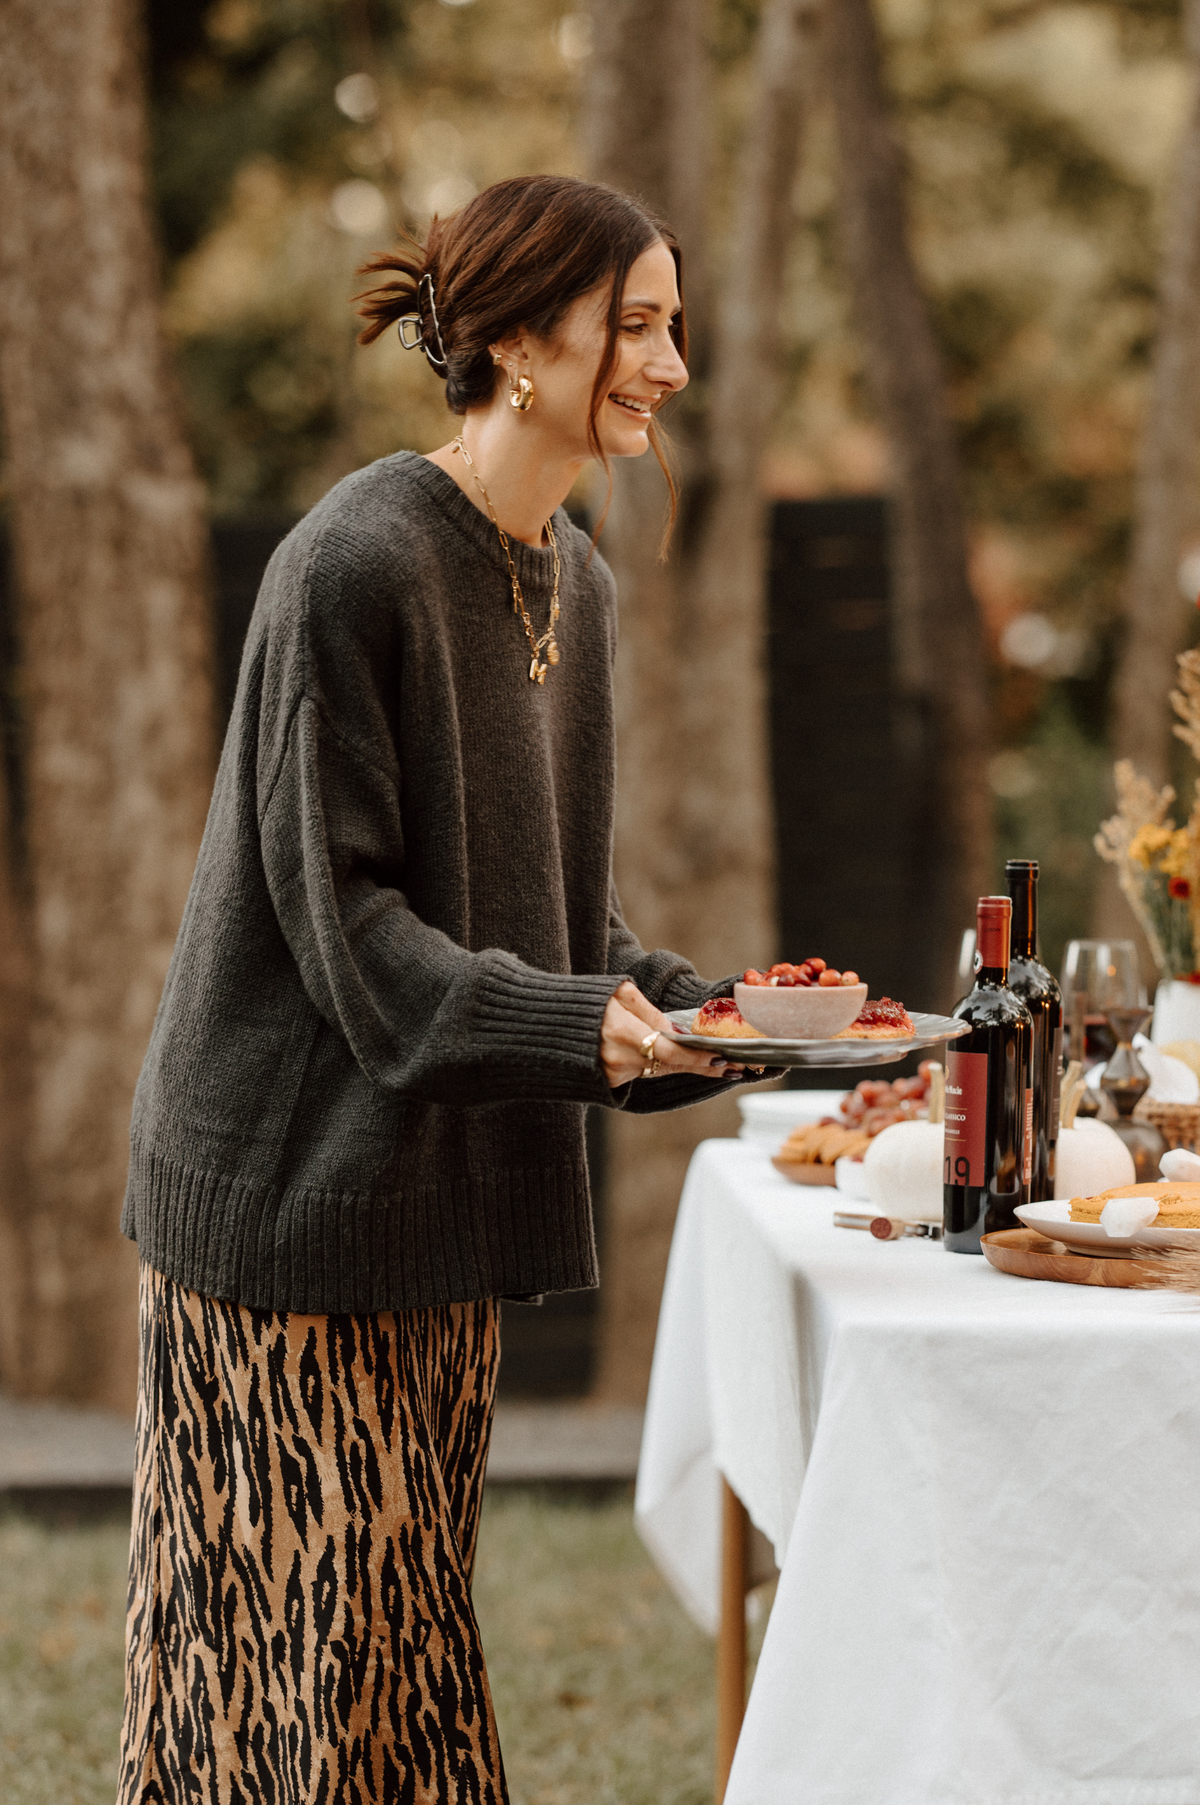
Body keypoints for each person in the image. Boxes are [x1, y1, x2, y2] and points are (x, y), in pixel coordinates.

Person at [116, 173, 764, 1805]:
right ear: (519, 343)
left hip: (439, 1209)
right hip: (287, 1209)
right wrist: (578, 1029)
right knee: (286, 1688)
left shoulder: (577, 583)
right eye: (636, 325)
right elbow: (351, 932)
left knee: (402, 1667)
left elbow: (549, 916)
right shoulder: (351, 565)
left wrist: (722, 1019)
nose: (671, 365)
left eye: (673, 327)